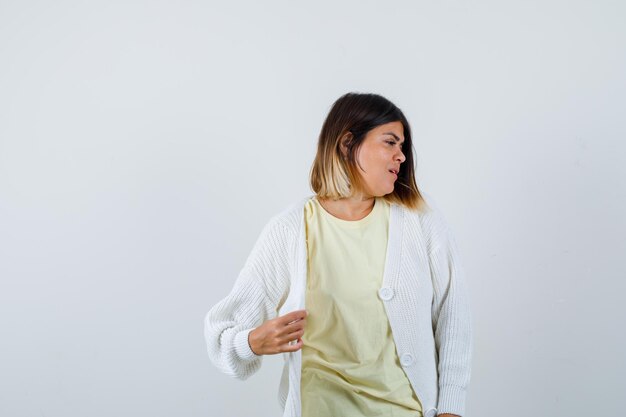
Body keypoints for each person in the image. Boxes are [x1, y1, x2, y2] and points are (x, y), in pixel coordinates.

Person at [204, 92, 473, 417]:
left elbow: (453, 316)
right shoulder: (291, 229)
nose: (401, 156)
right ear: (348, 144)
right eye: (390, 142)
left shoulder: (420, 220)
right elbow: (221, 333)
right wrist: (251, 342)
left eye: (402, 146)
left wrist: (451, 409)